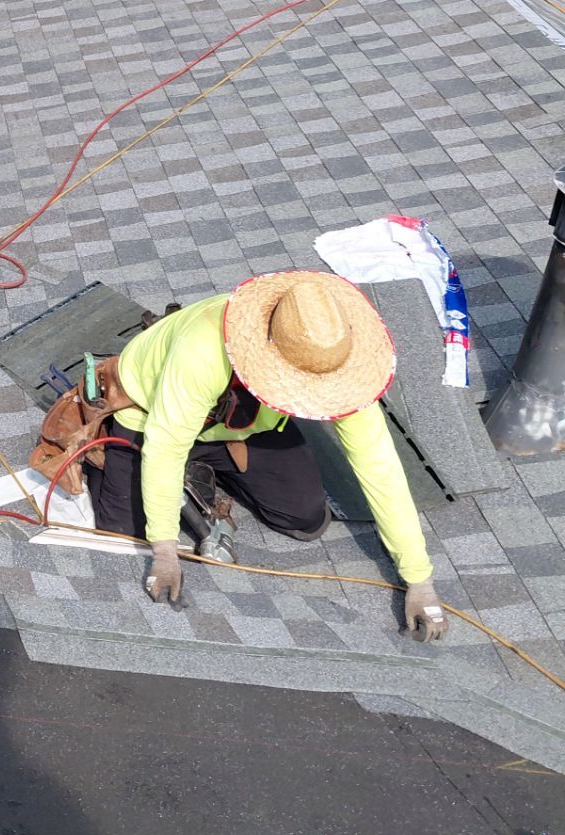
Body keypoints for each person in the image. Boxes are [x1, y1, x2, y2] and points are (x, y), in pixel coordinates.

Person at [85, 269, 446, 641]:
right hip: (152, 418)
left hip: (238, 425)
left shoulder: (341, 361)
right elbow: (166, 444)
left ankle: (197, 471)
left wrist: (419, 580)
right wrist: (163, 550)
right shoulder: (202, 349)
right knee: (124, 534)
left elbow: (379, 466)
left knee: (304, 518)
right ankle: (124, 457)